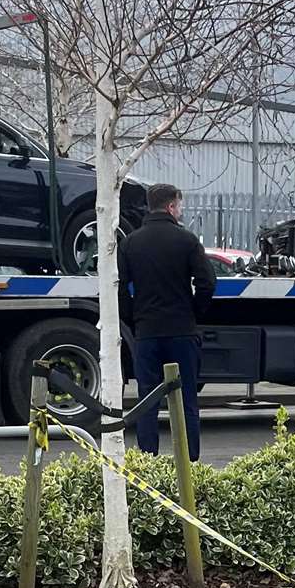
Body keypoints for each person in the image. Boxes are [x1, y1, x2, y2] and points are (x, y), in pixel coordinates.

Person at [117, 183, 217, 461]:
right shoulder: (186, 240)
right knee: (186, 400)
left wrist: (134, 316)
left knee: (147, 400)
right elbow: (207, 282)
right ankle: (189, 461)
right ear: (172, 206)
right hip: (182, 331)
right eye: (179, 206)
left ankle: (148, 461)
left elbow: (120, 287)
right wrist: (195, 311)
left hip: (147, 333)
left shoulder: (130, 243)